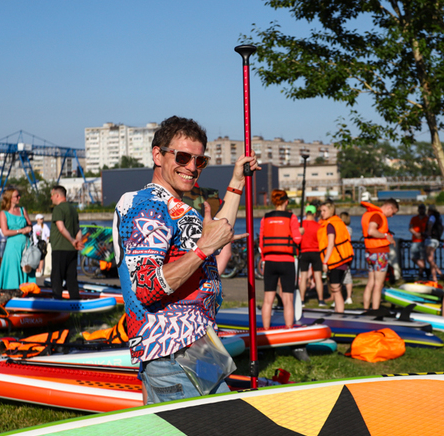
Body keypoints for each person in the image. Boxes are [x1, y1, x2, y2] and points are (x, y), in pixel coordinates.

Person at [114, 115, 259, 405]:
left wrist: (236, 182)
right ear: (158, 155)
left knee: (223, 435)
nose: (192, 168)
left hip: (199, 345)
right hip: (171, 353)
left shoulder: (177, 207)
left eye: (199, 160)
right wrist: (204, 249)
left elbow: (219, 232)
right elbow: (146, 286)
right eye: (182, 157)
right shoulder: (147, 207)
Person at [259, 190, 302, 329]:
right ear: (286, 201)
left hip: (270, 262)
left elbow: (261, 242)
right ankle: (289, 329)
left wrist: (264, 259)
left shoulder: (265, 218)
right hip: (287, 261)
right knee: (288, 299)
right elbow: (297, 239)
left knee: (267, 300)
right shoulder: (292, 218)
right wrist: (300, 232)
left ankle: (265, 330)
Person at [317, 199, 354, 313]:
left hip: (336, 261)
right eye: (321, 211)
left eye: (324, 210)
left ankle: (339, 315)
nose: (322, 213)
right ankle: (338, 313)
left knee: (336, 290)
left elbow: (331, 243)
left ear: (331, 210)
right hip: (342, 260)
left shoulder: (330, 225)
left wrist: (325, 262)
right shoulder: (338, 222)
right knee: (336, 289)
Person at [361, 198, 398, 310]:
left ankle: (366, 310)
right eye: (393, 213)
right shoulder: (377, 215)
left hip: (370, 252)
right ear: (389, 207)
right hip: (379, 253)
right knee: (378, 285)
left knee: (370, 283)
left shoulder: (370, 213)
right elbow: (371, 231)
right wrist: (386, 236)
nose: (392, 216)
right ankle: (375, 311)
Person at [0, 188, 35, 290]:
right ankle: (12, 291)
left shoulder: (22, 210)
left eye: (19, 195)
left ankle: (27, 290)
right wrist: (21, 231)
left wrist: (29, 228)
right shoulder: (3, 213)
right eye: (16, 196)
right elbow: (5, 232)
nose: (19, 198)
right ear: (10, 198)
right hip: (13, 247)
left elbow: (30, 225)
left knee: (27, 269)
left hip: (26, 244)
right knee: (14, 270)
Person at [49, 186, 83, 300]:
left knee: (56, 278)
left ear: (58, 195)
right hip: (72, 250)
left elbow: (61, 228)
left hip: (60, 247)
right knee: (71, 278)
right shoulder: (73, 209)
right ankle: (75, 302)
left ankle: (57, 302)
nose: (51, 198)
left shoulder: (58, 209)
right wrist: (78, 241)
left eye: (52, 195)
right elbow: (78, 229)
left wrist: (73, 240)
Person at [298, 205, 325, 306]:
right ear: (314, 214)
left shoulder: (300, 225)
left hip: (304, 252)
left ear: (305, 213)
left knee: (303, 277)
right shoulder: (318, 226)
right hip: (316, 252)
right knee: (318, 277)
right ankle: (321, 300)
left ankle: (302, 300)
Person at [409, 203, 429, 278]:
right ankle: (426, 269)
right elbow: (410, 228)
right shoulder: (414, 218)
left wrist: (424, 234)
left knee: (422, 258)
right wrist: (415, 233)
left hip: (424, 240)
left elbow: (429, 229)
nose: (421, 210)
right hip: (415, 240)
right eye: (420, 209)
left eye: (422, 209)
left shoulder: (427, 218)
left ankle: (421, 273)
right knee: (413, 257)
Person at [338, 211, 354, 305]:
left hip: (340, 254)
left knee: (339, 276)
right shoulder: (350, 229)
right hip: (348, 254)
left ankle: (340, 296)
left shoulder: (340, 229)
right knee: (348, 274)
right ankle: (348, 297)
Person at [425, 205, 443, 282]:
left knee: (429, 258)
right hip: (436, 239)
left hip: (431, 239)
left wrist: (428, 233)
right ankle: (437, 275)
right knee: (430, 259)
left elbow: (430, 224)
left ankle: (436, 275)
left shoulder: (432, 217)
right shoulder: (439, 218)